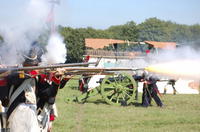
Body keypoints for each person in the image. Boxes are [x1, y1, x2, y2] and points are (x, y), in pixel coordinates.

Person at [6, 49, 40, 132]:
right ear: (23, 61)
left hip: (31, 109)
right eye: (29, 64)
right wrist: (30, 74)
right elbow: (13, 79)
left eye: (33, 64)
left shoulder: (35, 75)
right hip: (17, 109)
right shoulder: (14, 71)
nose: (32, 66)